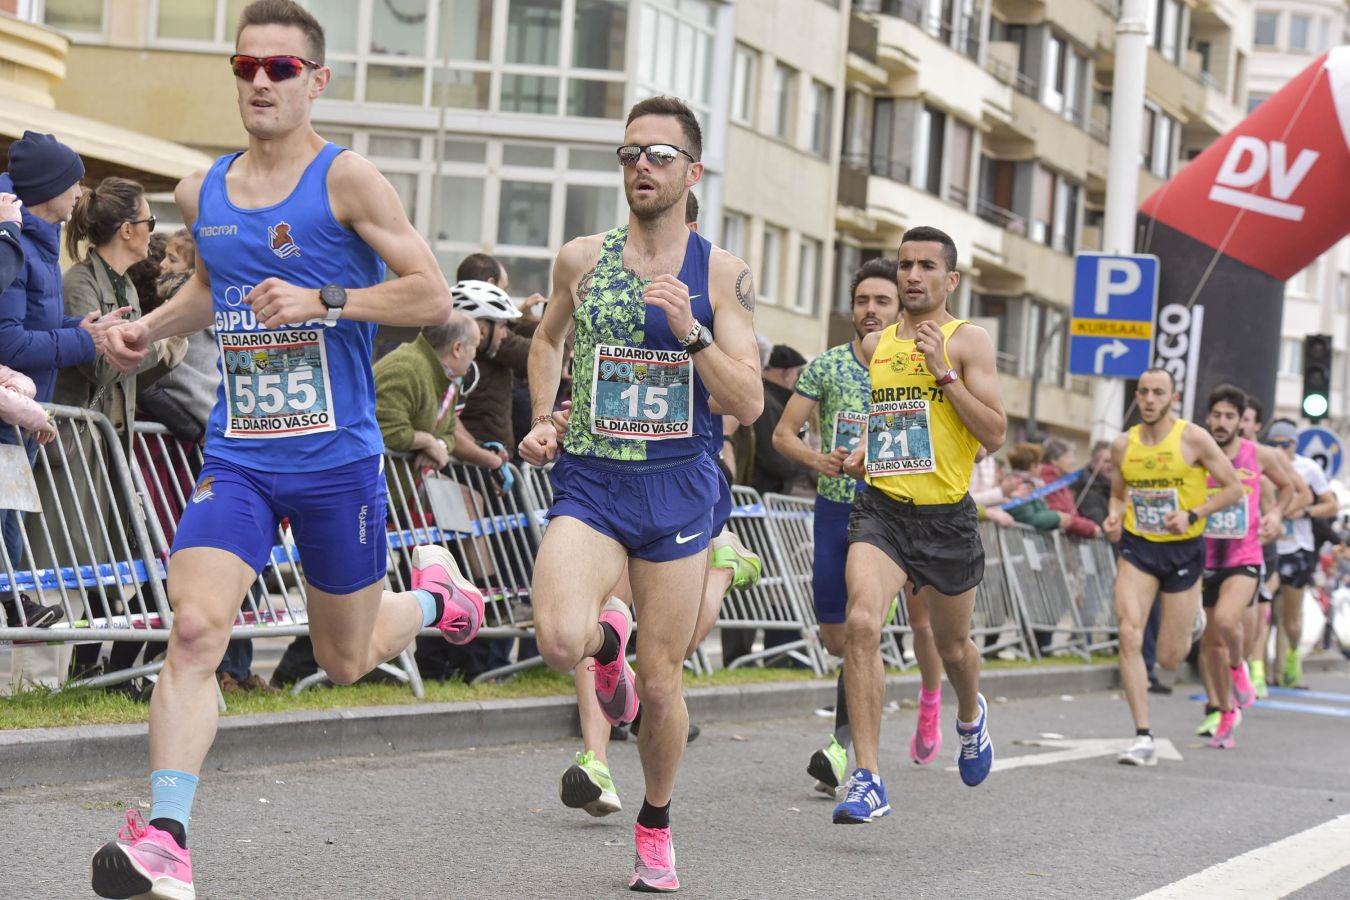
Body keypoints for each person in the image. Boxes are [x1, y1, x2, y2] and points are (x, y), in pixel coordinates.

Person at [90, 5, 485, 898]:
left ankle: (434, 598)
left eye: (280, 67)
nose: (260, 81)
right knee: (194, 629)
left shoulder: (348, 182)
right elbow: (209, 288)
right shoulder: (206, 192)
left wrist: (325, 301)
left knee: (344, 657)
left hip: (337, 463)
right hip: (241, 456)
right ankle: (169, 840)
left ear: (316, 81)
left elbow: (429, 294)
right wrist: (144, 331)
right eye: (246, 66)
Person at [519, 95, 761, 892]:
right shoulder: (580, 259)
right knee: (558, 639)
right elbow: (547, 338)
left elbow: (749, 401)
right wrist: (547, 416)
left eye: (658, 155)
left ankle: (655, 824)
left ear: (693, 172)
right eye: (629, 154)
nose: (641, 167)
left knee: (662, 681)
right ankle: (602, 647)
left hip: (677, 489)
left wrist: (691, 332)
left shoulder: (720, 273)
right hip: (591, 479)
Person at [830, 226, 1005, 824]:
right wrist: (864, 453)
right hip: (881, 509)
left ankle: (969, 716)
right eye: (905, 264)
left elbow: (994, 434)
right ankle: (869, 777)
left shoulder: (967, 341)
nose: (912, 275)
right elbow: (894, 425)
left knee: (952, 648)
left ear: (950, 280)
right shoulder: (878, 347)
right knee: (860, 623)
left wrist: (944, 373)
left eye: (927, 266)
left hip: (946, 519)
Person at [773, 257, 940, 797]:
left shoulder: (917, 362)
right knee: (837, 637)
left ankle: (846, 745)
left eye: (882, 301)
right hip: (834, 509)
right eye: (863, 301)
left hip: (894, 512)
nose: (871, 310)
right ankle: (854, 731)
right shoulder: (827, 366)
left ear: (900, 306)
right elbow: (783, 434)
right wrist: (816, 459)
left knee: (875, 626)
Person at [51, 176, 184, 687]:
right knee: (90, 567)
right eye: (148, 221)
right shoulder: (80, 283)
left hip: (113, 445)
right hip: (81, 447)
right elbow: (101, 367)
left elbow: (128, 368)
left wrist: (162, 350)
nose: (152, 232)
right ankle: (88, 671)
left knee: (131, 563)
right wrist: (158, 344)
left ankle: (109, 669)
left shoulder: (126, 284)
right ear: (127, 229)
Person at [0, 132, 127, 576]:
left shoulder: (39, 243)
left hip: (23, 417)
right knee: (6, 531)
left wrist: (85, 328)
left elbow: (37, 328)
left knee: (10, 527)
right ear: (49, 189)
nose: (79, 193)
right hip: (7, 418)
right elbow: (9, 343)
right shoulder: (15, 247)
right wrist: (82, 341)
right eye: (74, 183)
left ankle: (15, 613)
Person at [1105, 367, 1243, 766]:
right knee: (1128, 631)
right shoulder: (1122, 445)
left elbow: (1233, 487)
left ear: (1173, 398)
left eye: (1158, 393)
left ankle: (1192, 620)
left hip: (1183, 551)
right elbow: (1117, 495)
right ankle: (1142, 735)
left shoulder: (1192, 438)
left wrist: (1193, 513)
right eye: (1144, 392)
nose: (1149, 399)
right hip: (1138, 548)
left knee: (1169, 659)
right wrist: (1114, 517)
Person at [1195, 384, 1293, 747]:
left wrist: (1276, 515)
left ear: (1242, 421)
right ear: (1208, 418)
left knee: (1225, 620)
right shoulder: (1197, 453)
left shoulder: (1259, 455)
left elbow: (1289, 488)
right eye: (1216, 415)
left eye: (1229, 417)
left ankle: (1240, 668)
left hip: (1244, 555)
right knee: (1211, 643)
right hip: (1204, 556)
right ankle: (1225, 711)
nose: (1222, 423)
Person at [1267, 417, 1339, 689]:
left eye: (1284, 443)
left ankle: (1292, 659)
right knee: (1263, 611)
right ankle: (1261, 673)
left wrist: (1305, 511)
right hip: (1269, 546)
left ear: (1294, 445)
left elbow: (1331, 505)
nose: (1279, 448)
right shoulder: (1263, 465)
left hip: (1298, 548)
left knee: (1290, 619)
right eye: (1273, 443)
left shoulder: (1307, 469)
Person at [752, 343, 809, 496]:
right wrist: (808, 462)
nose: (796, 380)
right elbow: (773, 457)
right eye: (796, 374)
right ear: (786, 374)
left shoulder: (767, 399)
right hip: (762, 492)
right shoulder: (767, 403)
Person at [1040, 439, 1101, 538]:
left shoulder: (1060, 483)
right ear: (1054, 460)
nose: (1073, 461)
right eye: (1068, 457)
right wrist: (1090, 528)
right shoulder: (1049, 483)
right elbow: (1063, 517)